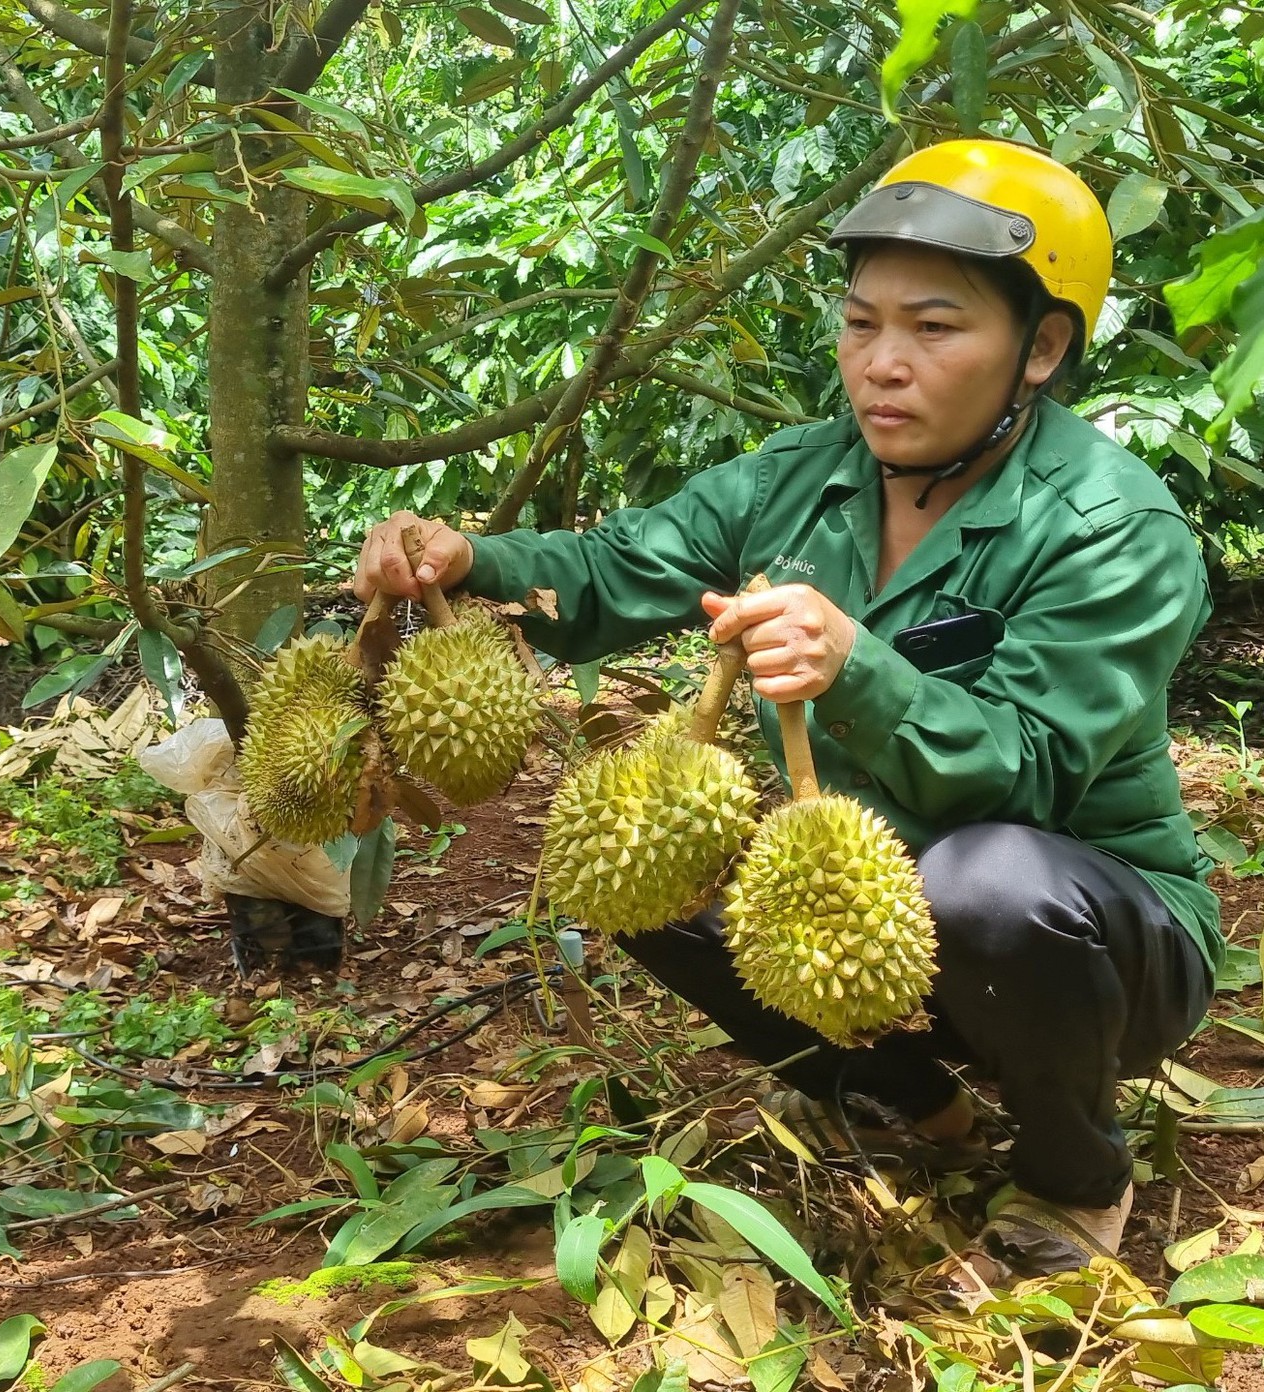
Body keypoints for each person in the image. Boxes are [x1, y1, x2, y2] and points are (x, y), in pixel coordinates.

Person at [353, 139, 1221, 1285]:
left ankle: (1073, 1173)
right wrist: (471, 560)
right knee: (629, 858)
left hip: (1091, 939)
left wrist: (855, 664)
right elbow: (611, 569)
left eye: (933, 327)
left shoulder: (1112, 530)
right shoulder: (796, 479)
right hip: (870, 906)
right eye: (860, 325)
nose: (881, 365)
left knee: (987, 881)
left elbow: (1028, 776)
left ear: (1041, 347)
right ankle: (909, 1104)